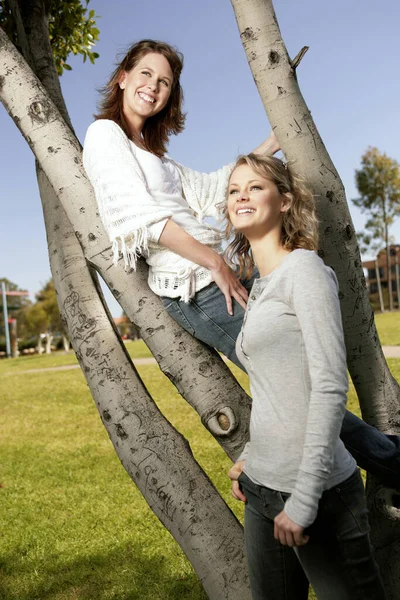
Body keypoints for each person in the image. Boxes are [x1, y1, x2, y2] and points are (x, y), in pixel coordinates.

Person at [82, 39, 400, 489]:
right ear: (122, 78)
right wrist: (215, 263)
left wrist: (275, 140)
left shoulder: (153, 155)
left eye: (165, 82)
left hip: (226, 268)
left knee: (308, 366)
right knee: (296, 385)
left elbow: (217, 187)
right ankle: (390, 463)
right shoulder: (105, 135)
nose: (154, 87)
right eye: (145, 75)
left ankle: (377, 459)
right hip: (196, 286)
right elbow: (143, 220)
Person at [226, 153, 385, 600]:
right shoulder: (259, 285)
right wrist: (252, 456)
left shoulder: (306, 271)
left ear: (284, 202)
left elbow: (330, 385)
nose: (242, 195)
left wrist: (304, 499)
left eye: (255, 187)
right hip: (260, 488)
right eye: (234, 190)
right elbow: (276, 389)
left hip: (319, 494)